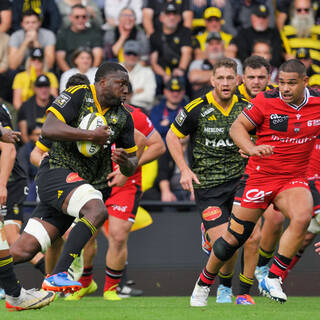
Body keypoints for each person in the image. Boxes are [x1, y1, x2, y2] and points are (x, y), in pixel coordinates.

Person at [187, 59, 320, 306]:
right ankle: (203, 284)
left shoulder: (317, 102)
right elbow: (237, 128)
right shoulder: (266, 100)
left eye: (292, 83)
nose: (286, 89)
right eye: (281, 83)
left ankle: (273, 277)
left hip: (292, 179)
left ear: (305, 82)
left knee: (302, 216)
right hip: (259, 177)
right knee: (232, 240)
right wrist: (250, 147)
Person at [9, 62, 138, 294]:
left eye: (127, 85)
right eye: (121, 84)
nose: (126, 89)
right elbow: (48, 128)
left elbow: (133, 162)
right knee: (97, 210)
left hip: (77, 187)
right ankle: (58, 274)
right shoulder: (79, 94)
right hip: (56, 173)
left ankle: (48, 276)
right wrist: (91, 135)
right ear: (102, 83)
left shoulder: (124, 118)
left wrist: (125, 163)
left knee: (24, 249)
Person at [166, 58, 250, 305]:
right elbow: (172, 136)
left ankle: (219, 288)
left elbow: (260, 137)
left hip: (239, 182)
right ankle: (207, 285)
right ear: (212, 80)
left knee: (233, 242)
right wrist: (183, 169)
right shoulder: (196, 108)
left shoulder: (247, 107)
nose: (225, 83)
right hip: (208, 186)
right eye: (220, 78)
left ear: (238, 80)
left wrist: (250, 147)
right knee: (224, 242)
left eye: (230, 78)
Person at [0, 116, 55, 311]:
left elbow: (9, 148)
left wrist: (2, 185)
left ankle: (50, 278)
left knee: (8, 237)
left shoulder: (1, 111)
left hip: (12, 183)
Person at [149, 2, 193, 94]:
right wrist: (164, 75)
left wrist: (180, 69)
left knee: (182, 79)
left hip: (179, 70)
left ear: (179, 18)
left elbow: (187, 53)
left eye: (174, 14)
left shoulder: (185, 32)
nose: (171, 17)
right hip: (161, 73)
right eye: (168, 14)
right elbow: (153, 62)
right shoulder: (155, 35)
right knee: (153, 78)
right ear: (161, 18)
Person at [227, 4, 284, 68]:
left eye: (264, 17)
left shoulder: (274, 33)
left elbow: (277, 56)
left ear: (268, 18)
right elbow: (242, 56)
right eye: (258, 16)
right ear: (252, 17)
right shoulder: (243, 33)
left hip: (271, 70)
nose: (261, 20)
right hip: (248, 69)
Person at [189, 31, 242, 99]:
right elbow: (194, 77)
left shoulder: (234, 61)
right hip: (202, 101)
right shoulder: (199, 62)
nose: (215, 47)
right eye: (211, 44)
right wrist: (227, 76)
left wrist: (203, 81)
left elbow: (238, 80)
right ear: (206, 48)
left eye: (218, 43)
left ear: (223, 46)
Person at [55, 4, 103, 73]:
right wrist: (71, 75)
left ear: (87, 18)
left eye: (84, 17)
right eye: (77, 17)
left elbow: (97, 57)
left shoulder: (94, 33)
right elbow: (60, 59)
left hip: (91, 72)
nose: (80, 20)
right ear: (70, 18)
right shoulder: (63, 34)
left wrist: (89, 73)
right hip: (70, 73)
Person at [281, 0, 320, 74]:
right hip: (294, 75)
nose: (303, 13)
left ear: (312, 11)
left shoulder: (319, 31)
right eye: (299, 10)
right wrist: (285, 56)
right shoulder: (286, 31)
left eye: (306, 10)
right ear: (293, 11)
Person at [17, 74, 55, 143]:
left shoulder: (57, 105)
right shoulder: (25, 106)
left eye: (46, 86)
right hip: (31, 144)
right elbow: (24, 135)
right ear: (35, 89)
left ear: (50, 88)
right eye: (40, 87)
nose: (43, 90)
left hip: (52, 143)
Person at [121, 40, 156, 111]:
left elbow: (149, 97)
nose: (131, 56)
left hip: (140, 109)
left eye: (134, 54)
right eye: (129, 53)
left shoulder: (148, 72)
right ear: (124, 54)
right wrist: (135, 92)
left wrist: (125, 97)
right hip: (119, 109)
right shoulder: (115, 70)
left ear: (139, 56)